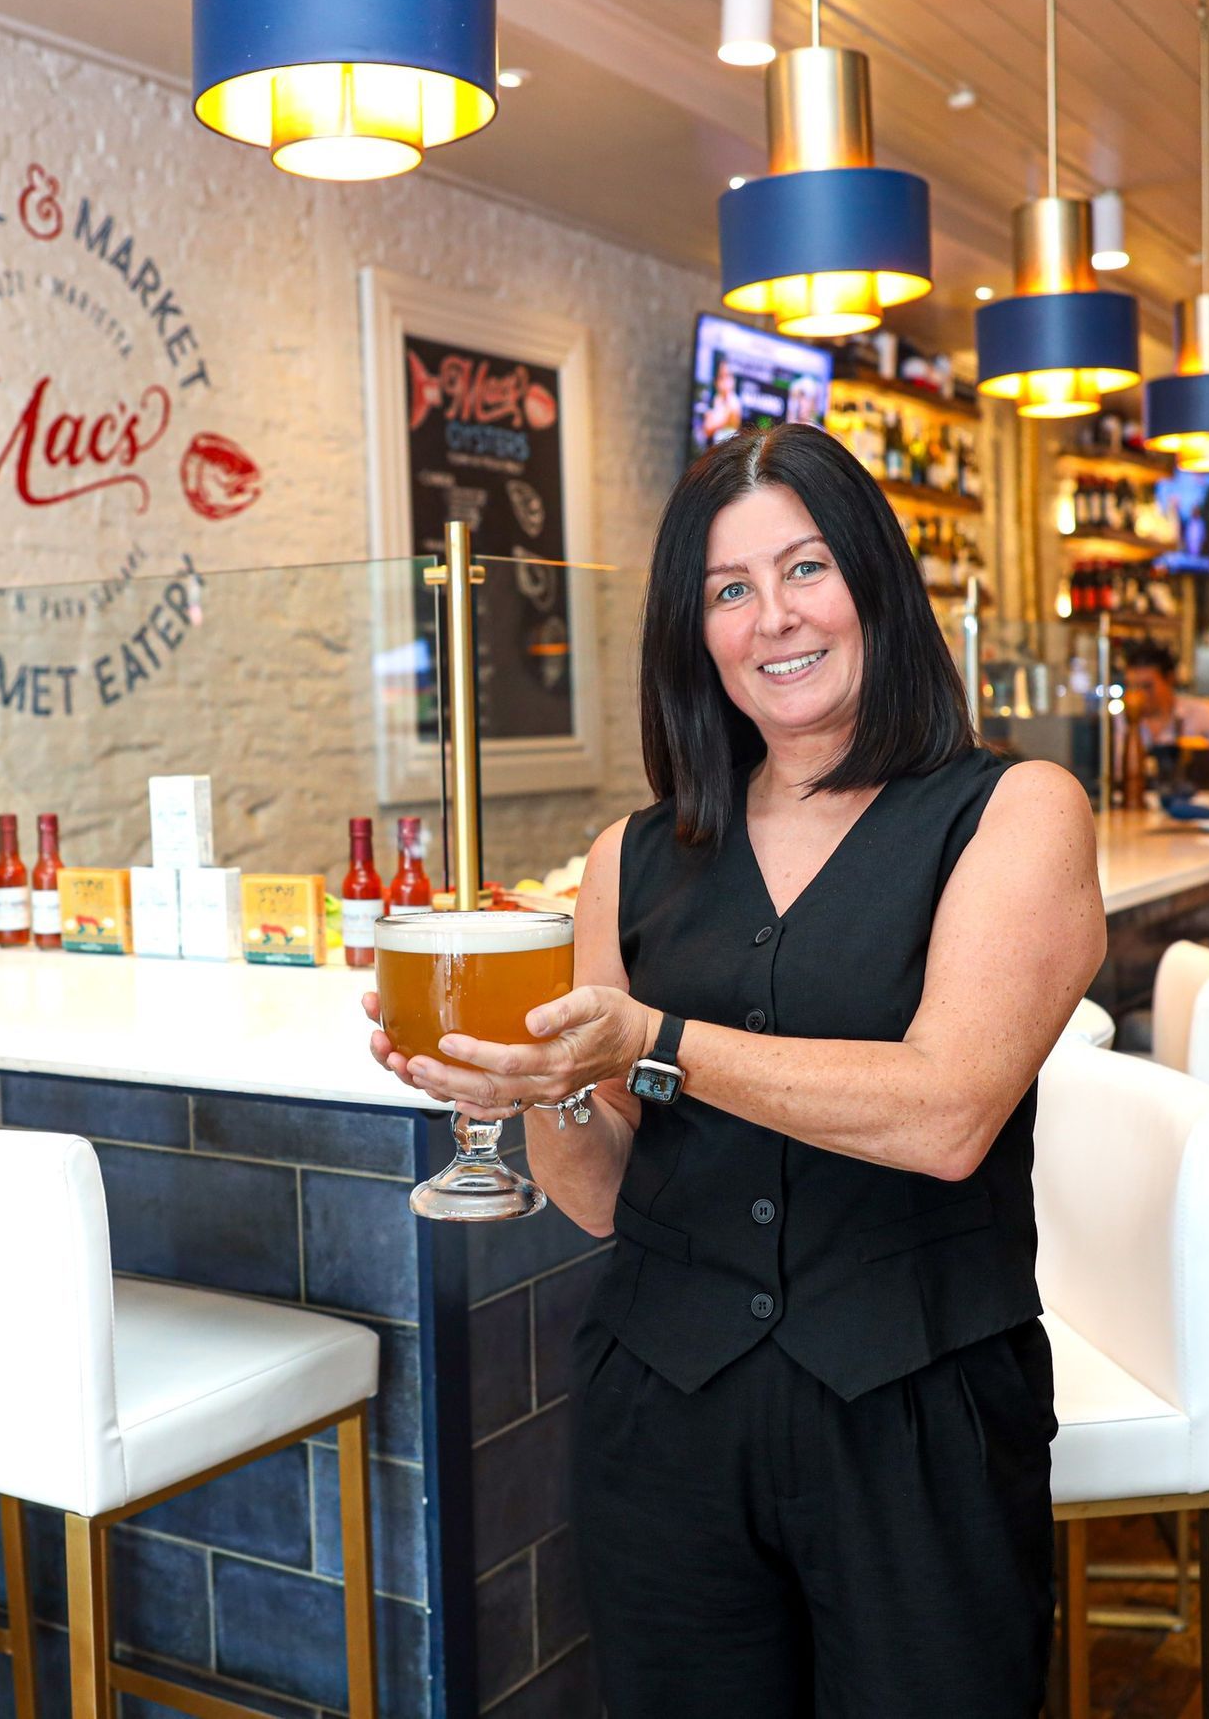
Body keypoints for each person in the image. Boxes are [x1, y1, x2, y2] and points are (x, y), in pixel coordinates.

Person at [364, 424, 1106, 1717]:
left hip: (917, 1418)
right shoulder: (629, 857)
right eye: (729, 589)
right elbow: (599, 1193)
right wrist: (531, 1088)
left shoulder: (1014, 810)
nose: (775, 617)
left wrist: (658, 1042)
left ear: (875, 580)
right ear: (693, 631)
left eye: (807, 567)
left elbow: (946, 1111)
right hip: (664, 1416)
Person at [1120, 638, 1209, 752]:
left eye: (1146, 686)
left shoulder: (1201, 715)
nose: (1138, 695)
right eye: (1131, 686)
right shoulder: (1118, 723)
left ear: (1169, 679)